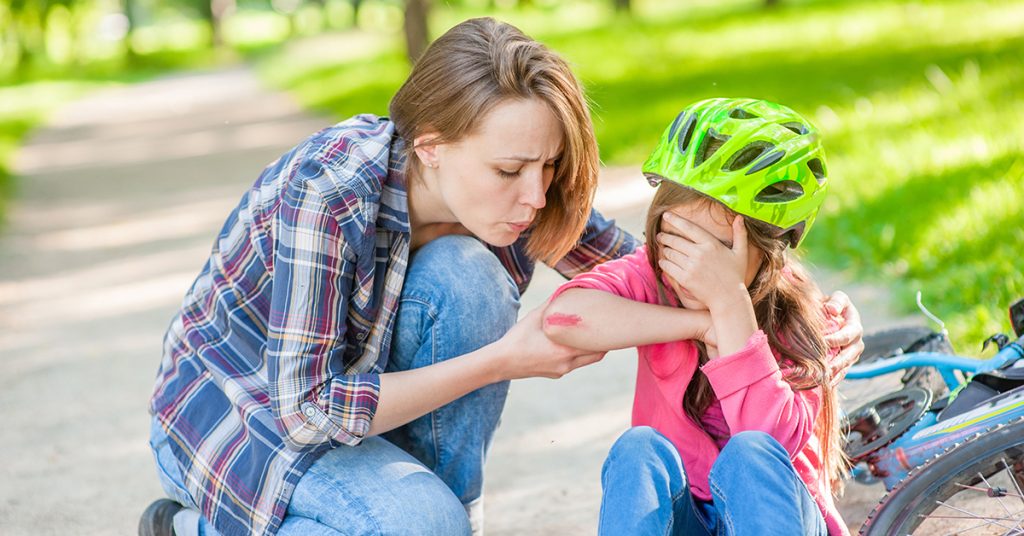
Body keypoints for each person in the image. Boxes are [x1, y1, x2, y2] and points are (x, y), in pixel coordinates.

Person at [139, 18, 864, 536]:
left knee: (465, 272)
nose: (536, 196)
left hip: (354, 405)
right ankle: (197, 526)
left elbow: (658, 264)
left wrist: (788, 303)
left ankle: (447, 517)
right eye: (510, 170)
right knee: (417, 521)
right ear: (430, 148)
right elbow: (308, 412)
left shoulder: (513, 202)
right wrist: (503, 360)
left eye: (548, 167)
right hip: (245, 413)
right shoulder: (327, 195)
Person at [544, 98, 852, 535]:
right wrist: (698, 325)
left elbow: (773, 445)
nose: (692, 270)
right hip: (689, 517)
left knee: (750, 454)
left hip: (774, 515)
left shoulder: (797, 312)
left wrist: (730, 306)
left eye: (715, 253)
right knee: (639, 450)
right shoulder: (653, 277)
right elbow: (563, 318)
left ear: (767, 253)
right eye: (679, 244)